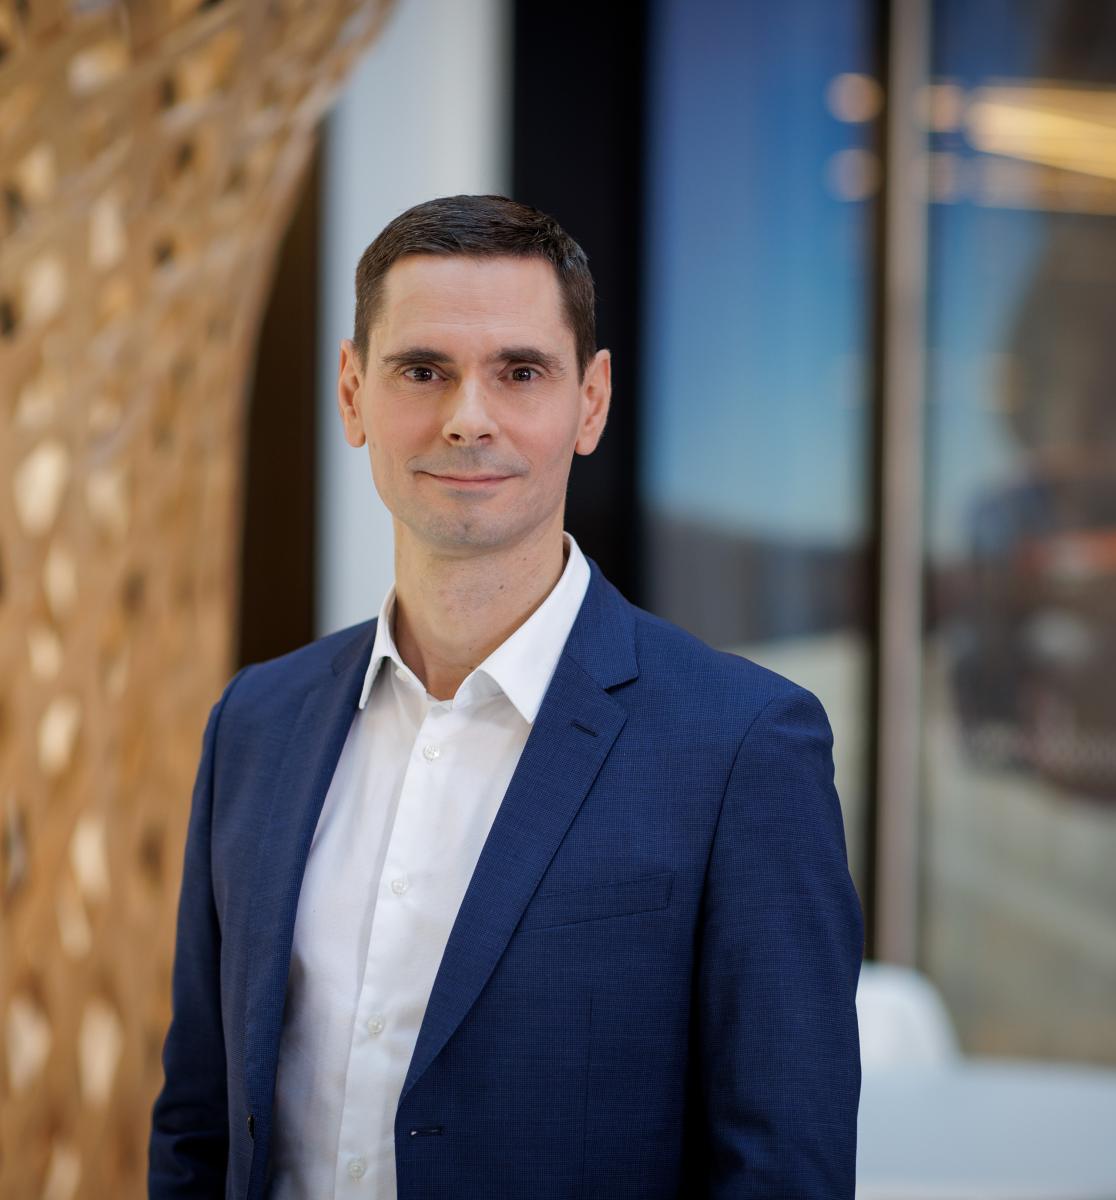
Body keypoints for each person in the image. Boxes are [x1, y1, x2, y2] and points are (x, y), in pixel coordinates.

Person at [148, 194, 863, 1199]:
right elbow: (199, 1123)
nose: (467, 418)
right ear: (352, 394)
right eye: (422, 370)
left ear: (591, 402)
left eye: (520, 373)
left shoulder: (744, 745)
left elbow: (783, 1171)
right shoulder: (255, 725)